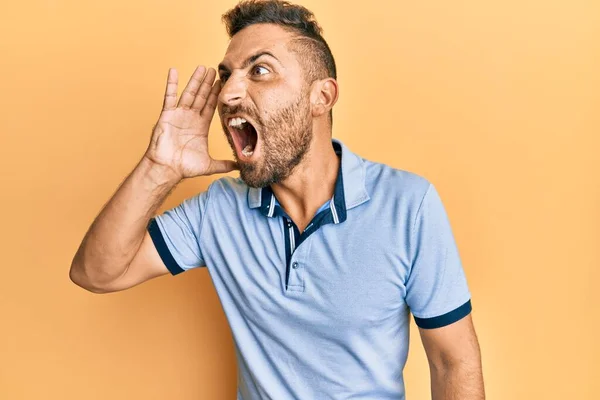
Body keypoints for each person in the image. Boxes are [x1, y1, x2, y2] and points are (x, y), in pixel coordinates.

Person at [69, 1, 485, 398]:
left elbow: (453, 363)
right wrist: (159, 168)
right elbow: (97, 273)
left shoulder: (407, 205)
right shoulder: (219, 209)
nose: (229, 94)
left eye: (260, 71)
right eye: (227, 74)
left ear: (321, 97)